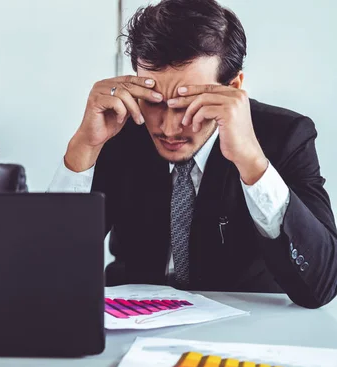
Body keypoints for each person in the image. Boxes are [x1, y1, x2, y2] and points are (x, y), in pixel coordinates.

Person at [49, 0, 337, 308]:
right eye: (154, 101)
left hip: (247, 323)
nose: (170, 128)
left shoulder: (286, 135)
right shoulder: (118, 129)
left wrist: (253, 164)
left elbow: (320, 288)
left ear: (235, 87)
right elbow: (51, 269)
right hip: (129, 319)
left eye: (189, 104)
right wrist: (84, 146)